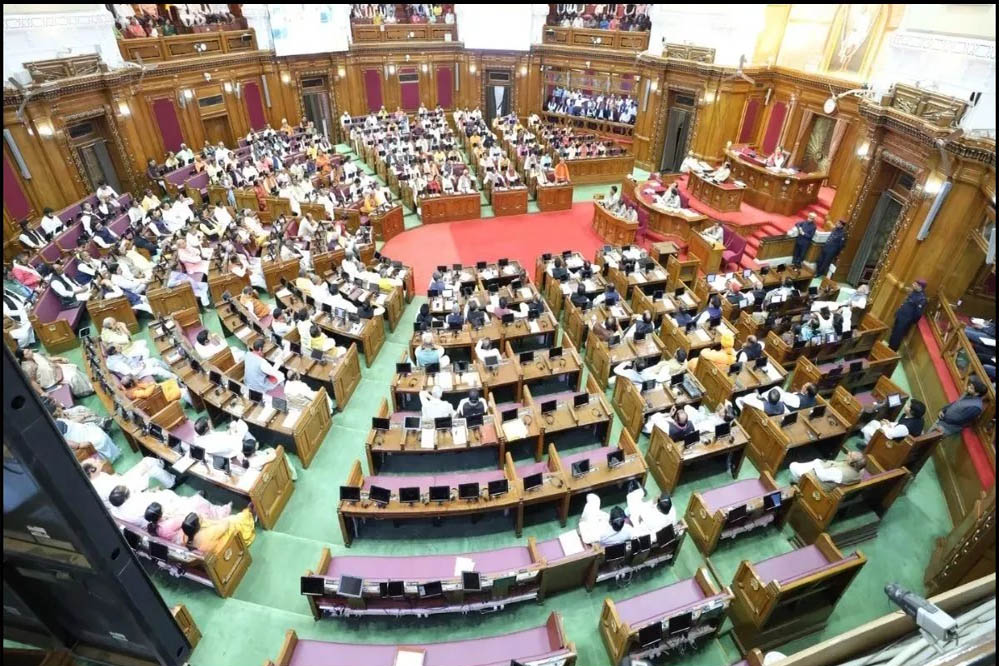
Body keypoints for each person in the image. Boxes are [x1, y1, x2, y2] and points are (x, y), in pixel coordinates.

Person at [17, 348, 94, 397]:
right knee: (73, 376)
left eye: (29, 350)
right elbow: (32, 381)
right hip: (50, 380)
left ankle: (91, 383)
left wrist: (60, 358)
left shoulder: (34, 355)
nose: (30, 352)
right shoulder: (27, 367)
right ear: (23, 357)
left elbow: (47, 359)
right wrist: (42, 393)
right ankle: (86, 391)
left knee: (73, 367)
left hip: (56, 368)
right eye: (27, 353)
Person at [859, 399, 926, 448]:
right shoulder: (917, 418)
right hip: (896, 433)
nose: (905, 405)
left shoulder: (905, 427)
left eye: (908, 405)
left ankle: (869, 446)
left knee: (867, 430)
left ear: (911, 411)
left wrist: (884, 425)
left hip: (892, 443)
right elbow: (898, 424)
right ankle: (868, 440)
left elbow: (889, 435)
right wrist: (889, 424)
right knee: (874, 422)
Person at [55, 417, 120, 463]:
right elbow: (72, 444)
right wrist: (79, 445)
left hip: (79, 429)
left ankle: (103, 427)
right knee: (99, 440)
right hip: (77, 438)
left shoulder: (56, 419)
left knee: (94, 429)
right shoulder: (55, 433)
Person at [789, 452, 867, 490]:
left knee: (793, 465)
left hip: (818, 484)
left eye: (850, 455)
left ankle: (800, 483)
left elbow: (822, 476)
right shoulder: (860, 470)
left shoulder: (840, 473)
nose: (848, 453)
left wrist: (816, 463)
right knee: (816, 461)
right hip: (828, 471)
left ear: (853, 463)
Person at [888, 279, 928, 350]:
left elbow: (918, 313)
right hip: (900, 315)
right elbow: (905, 303)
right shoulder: (913, 292)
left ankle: (891, 350)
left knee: (898, 336)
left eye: (915, 284)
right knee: (894, 332)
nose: (913, 284)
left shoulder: (922, 299)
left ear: (920, 287)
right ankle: (888, 348)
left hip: (905, 320)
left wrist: (910, 321)